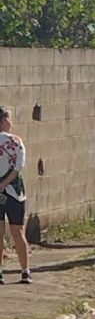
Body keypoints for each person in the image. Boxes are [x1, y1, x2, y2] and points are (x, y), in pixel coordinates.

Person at [0, 107, 31, 284]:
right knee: (18, 232)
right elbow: (19, 166)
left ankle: (0, 272)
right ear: (4, 120)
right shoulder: (16, 141)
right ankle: (25, 271)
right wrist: (5, 182)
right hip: (15, 192)